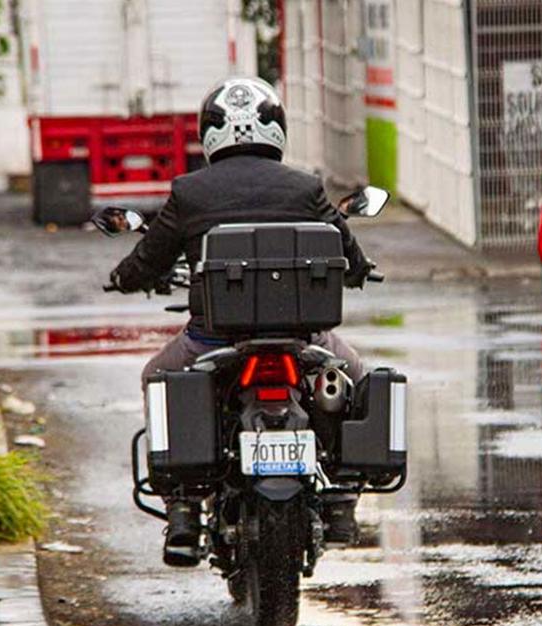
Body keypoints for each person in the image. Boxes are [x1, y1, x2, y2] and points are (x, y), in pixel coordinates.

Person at [108, 77, 373, 565]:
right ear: (277, 130)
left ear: (210, 132)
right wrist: (360, 269)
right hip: (302, 336)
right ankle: (344, 499)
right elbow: (345, 247)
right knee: (356, 375)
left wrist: (124, 277)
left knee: (155, 377)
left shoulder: (189, 192)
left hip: (212, 339)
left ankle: (182, 509)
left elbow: (149, 256)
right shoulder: (305, 186)